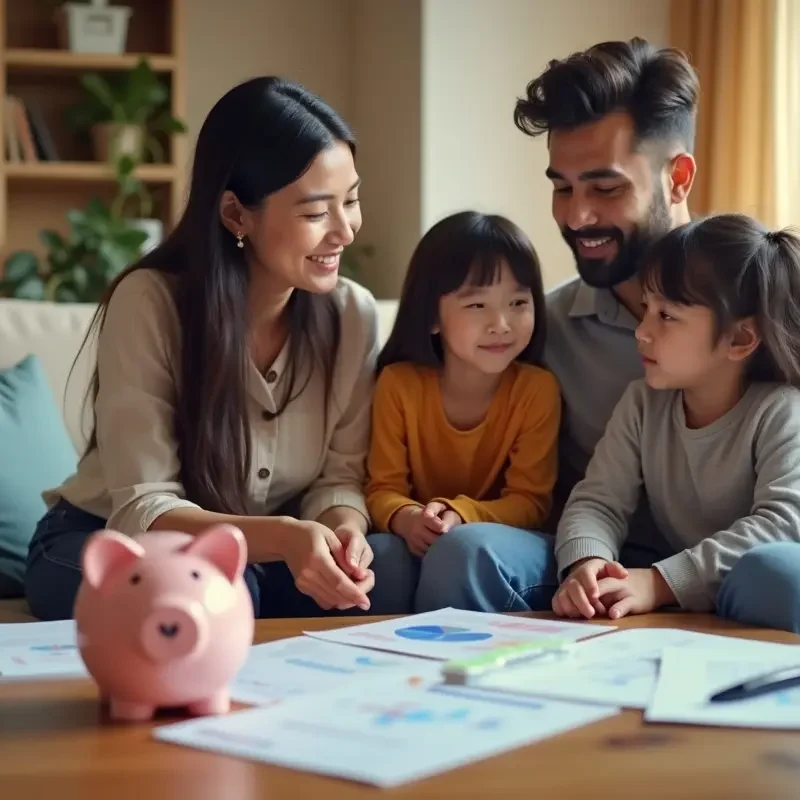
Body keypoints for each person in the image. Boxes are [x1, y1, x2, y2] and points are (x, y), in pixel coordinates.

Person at [24, 77, 416, 621]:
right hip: (107, 542)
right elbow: (144, 505)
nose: (345, 231)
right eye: (314, 213)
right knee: (221, 592)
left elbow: (338, 479)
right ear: (236, 214)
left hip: (261, 552)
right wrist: (282, 538)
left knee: (390, 572)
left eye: (351, 200)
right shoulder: (152, 303)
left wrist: (343, 533)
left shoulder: (353, 314)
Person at [414, 37, 700, 612]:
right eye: (561, 187)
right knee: (465, 552)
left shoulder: (768, 302)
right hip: (588, 567)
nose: (576, 216)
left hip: (736, 561)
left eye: (606, 187)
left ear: (678, 178)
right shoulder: (540, 329)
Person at [553, 213, 800, 633]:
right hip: (690, 602)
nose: (642, 332)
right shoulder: (642, 404)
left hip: (751, 589)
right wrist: (588, 562)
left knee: (776, 571)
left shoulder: (781, 411)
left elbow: (784, 523)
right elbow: (598, 501)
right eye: (647, 309)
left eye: (666, 316)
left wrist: (661, 581)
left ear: (740, 339)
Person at [365, 211, 561, 609]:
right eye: (477, 305)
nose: (501, 323)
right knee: (383, 557)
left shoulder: (536, 390)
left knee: (461, 547)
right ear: (432, 317)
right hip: (422, 535)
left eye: (518, 302)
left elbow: (531, 502)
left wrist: (461, 514)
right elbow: (383, 488)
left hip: (500, 538)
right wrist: (406, 517)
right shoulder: (398, 384)